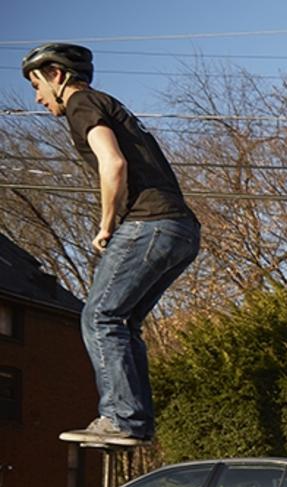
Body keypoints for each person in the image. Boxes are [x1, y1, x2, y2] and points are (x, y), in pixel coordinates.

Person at [22, 43, 200, 446]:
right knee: (123, 322)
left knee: (99, 317)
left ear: (56, 75)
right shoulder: (109, 103)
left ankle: (120, 417)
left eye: (36, 85)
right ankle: (135, 421)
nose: (37, 97)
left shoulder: (81, 103)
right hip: (181, 230)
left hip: (150, 223)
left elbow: (113, 162)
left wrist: (107, 224)